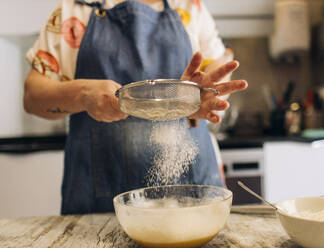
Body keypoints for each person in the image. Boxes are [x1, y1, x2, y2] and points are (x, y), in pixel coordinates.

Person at [24, 0, 247, 214]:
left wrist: (205, 92)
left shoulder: (188, 5)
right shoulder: (75, 8)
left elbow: (217, 67)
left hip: (192, 192)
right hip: (99, 200)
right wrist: (82, 94)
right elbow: (32, 97)